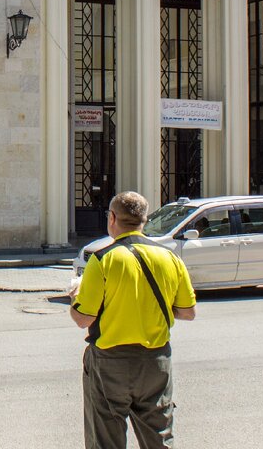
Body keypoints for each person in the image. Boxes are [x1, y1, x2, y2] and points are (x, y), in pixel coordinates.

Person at [70, 191, 197, 449]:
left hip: (110, 363)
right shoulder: (170, 258)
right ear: (144, 220)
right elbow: (187, 312)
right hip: (156, 362)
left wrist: (74, 296)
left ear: (112, 218)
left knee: (106, 439)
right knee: (159, 438)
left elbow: (84, 319)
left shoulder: (103, 259)